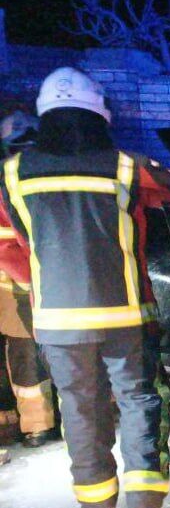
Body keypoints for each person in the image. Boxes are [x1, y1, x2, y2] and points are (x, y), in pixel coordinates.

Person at [0, 67, 170, 508]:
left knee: (79, 408)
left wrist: (39, 279)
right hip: (123, 316)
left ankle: (97, 507)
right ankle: (145, 504)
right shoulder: (127, 166)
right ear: (99, 114)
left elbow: (9, 244)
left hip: (58, 321)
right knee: (140, 398)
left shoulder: (13, 172)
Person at [0, 111, 57, 449]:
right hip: (19, 285)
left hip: (26, 284)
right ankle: (36, 424)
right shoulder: (9, 184)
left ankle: (40, 423)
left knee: (31, 355)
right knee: (26, 355)